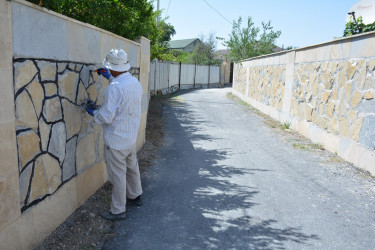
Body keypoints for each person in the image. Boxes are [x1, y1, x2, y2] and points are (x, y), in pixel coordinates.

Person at [86, 48, 143, 221]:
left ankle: (118, 210)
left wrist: (93, 112)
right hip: (130, 137)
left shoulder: (113, 89)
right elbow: (122, 92)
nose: (108, 71)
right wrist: (110, 78)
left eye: (109, 69)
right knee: (132, 167)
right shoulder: (135, 83)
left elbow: (106, 117)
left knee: (118, 175)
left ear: (111, 68)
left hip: (116, 140)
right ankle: (135, 195)